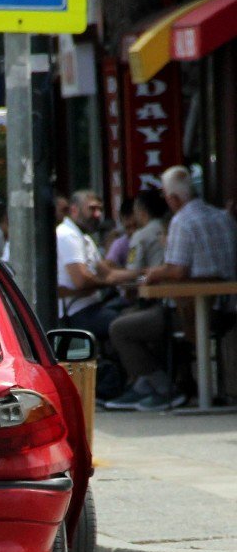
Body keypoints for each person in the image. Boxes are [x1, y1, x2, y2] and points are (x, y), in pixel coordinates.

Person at [106, 166, 237, 411]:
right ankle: (179, 385)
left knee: (121, 328)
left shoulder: (182, 221)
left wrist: (154, 273)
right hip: (227, 309)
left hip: (193, 311)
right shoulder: (223, 217)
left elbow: (177, 271)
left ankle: (162, 387)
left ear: (173, 198)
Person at [56, 190, 118, 340]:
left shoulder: (84, 238)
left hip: (94, 305)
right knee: (124, 326)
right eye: (92, 209)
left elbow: (105, 271)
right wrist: (106, 282)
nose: (97, 215)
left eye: (100, 209)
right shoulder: (67, 235)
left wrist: (141, 273)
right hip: (77, 313)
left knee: (130, 314)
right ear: (74, 210)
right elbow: (82, 280)